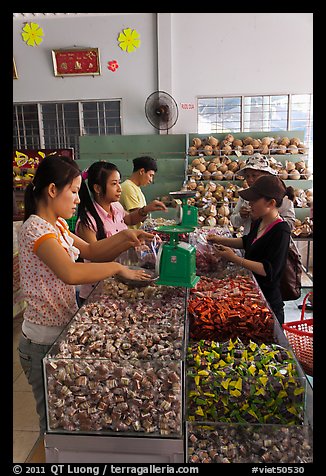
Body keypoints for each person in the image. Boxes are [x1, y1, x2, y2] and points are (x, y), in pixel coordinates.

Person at [17, 155, 154, 436]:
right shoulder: (35, 229)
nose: (79, 200)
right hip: (42, 339)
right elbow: (70, 272)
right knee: (53, 423)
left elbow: (90, 252)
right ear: (53, 190)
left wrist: (128, 236)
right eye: (74, 192)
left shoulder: (57, 225)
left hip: (60, 331)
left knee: (66, 413)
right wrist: (118, 268)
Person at [75, 161, 166, 303]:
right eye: (114, 184)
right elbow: (95, 257)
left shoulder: (116, 207)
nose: (120, 189)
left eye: (119, 183)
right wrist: (126, 242)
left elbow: (129, 219)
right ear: (98, 188)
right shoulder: (87, 222)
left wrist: (145, 209)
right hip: (97, 290)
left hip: (119, 283)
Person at [208, 175, 291, 325]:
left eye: (254, 200)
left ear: (271, 203)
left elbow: (268, 270)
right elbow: (248, 242)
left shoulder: (281, 231)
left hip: (268, 303)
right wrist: (219, 240)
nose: (249, 203)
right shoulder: (259, 220)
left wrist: (235, 258)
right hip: (253, 295)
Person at [231, 153, 295, 234]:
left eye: (254, 175)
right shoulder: (246, 195)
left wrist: (266, 217)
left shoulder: (281, 196)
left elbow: (290, 225)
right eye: (247, 176)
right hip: (251, 243)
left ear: (267, 175)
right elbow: (234, 222)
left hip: (272, 243)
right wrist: (241, 216)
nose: (250, 180)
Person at [120, 156, 160, 228]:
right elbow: (136, 215)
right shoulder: (128, 187)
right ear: (142, 171)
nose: (151, 180)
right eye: (150, 175)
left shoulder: (136, 188)